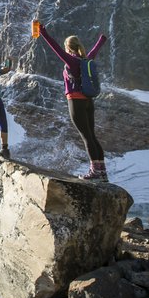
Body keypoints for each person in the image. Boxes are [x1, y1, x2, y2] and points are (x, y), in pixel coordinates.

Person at [36, 23, 109, 181]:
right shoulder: (85, 59)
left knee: (86, 137)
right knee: (92, 136)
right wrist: (102, 39)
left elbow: (56, 49)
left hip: (75, 101)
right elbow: (95, 50)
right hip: (88, 101)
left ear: (68, 48)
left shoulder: (71, 61)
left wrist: (43, 32)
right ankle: (102, 172)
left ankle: (95, 172)